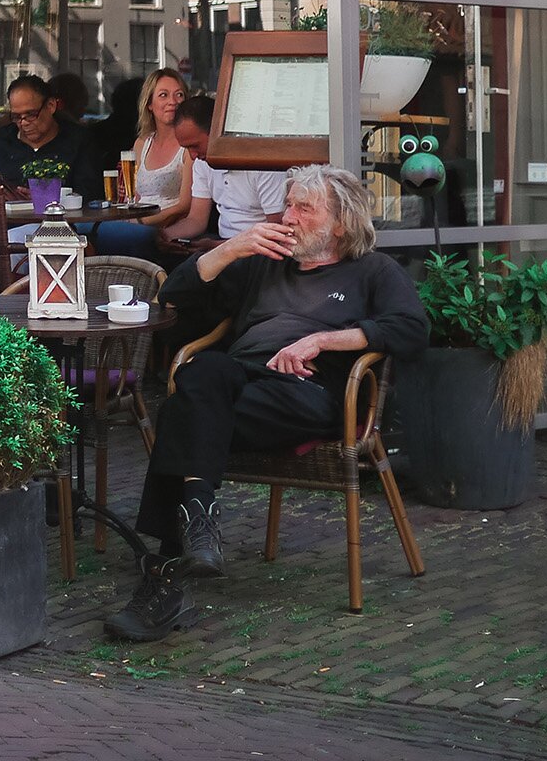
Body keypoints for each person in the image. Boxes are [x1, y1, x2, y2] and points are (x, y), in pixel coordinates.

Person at [104, 164, 426, 642]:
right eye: (287, 205)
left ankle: (169, 566)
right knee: (204, 373)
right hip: (239, 386)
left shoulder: (373, 271)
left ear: (341, 223)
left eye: (304, 208)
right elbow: (173, 297)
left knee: (180, 412)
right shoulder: (264, 263)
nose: (288, 217)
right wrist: (230, 248)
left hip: (309, 395)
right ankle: (194, 534)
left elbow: (412, 330)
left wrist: (322, 340)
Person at [164, 94, 288, 249]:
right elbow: (196, 220)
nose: (192, 156)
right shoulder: (202, 163)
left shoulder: (263, 164)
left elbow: (278, 235)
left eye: (195, 146)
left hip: (259, 253)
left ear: (216, 132)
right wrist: (163, 236)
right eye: (187, 148)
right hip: (221, 245)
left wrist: (216, 247)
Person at [93, 69, 191, 256]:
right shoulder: (142, 143)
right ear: (149, 104)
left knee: (106, 234)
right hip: (134, 224)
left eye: (179, 95)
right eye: (163, 95)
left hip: (165, 228)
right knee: (86, 230)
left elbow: (184, 206)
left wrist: (139, 222)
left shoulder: (189, 145)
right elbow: (134, 197)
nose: (173, 101)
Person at [0, 74, 103, 199]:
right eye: (16, 117)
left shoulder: (79, 141)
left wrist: (47, 197)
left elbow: (90, 193)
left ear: (51, 105)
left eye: (31, 114)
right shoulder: (2, 139)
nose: (23, 123)